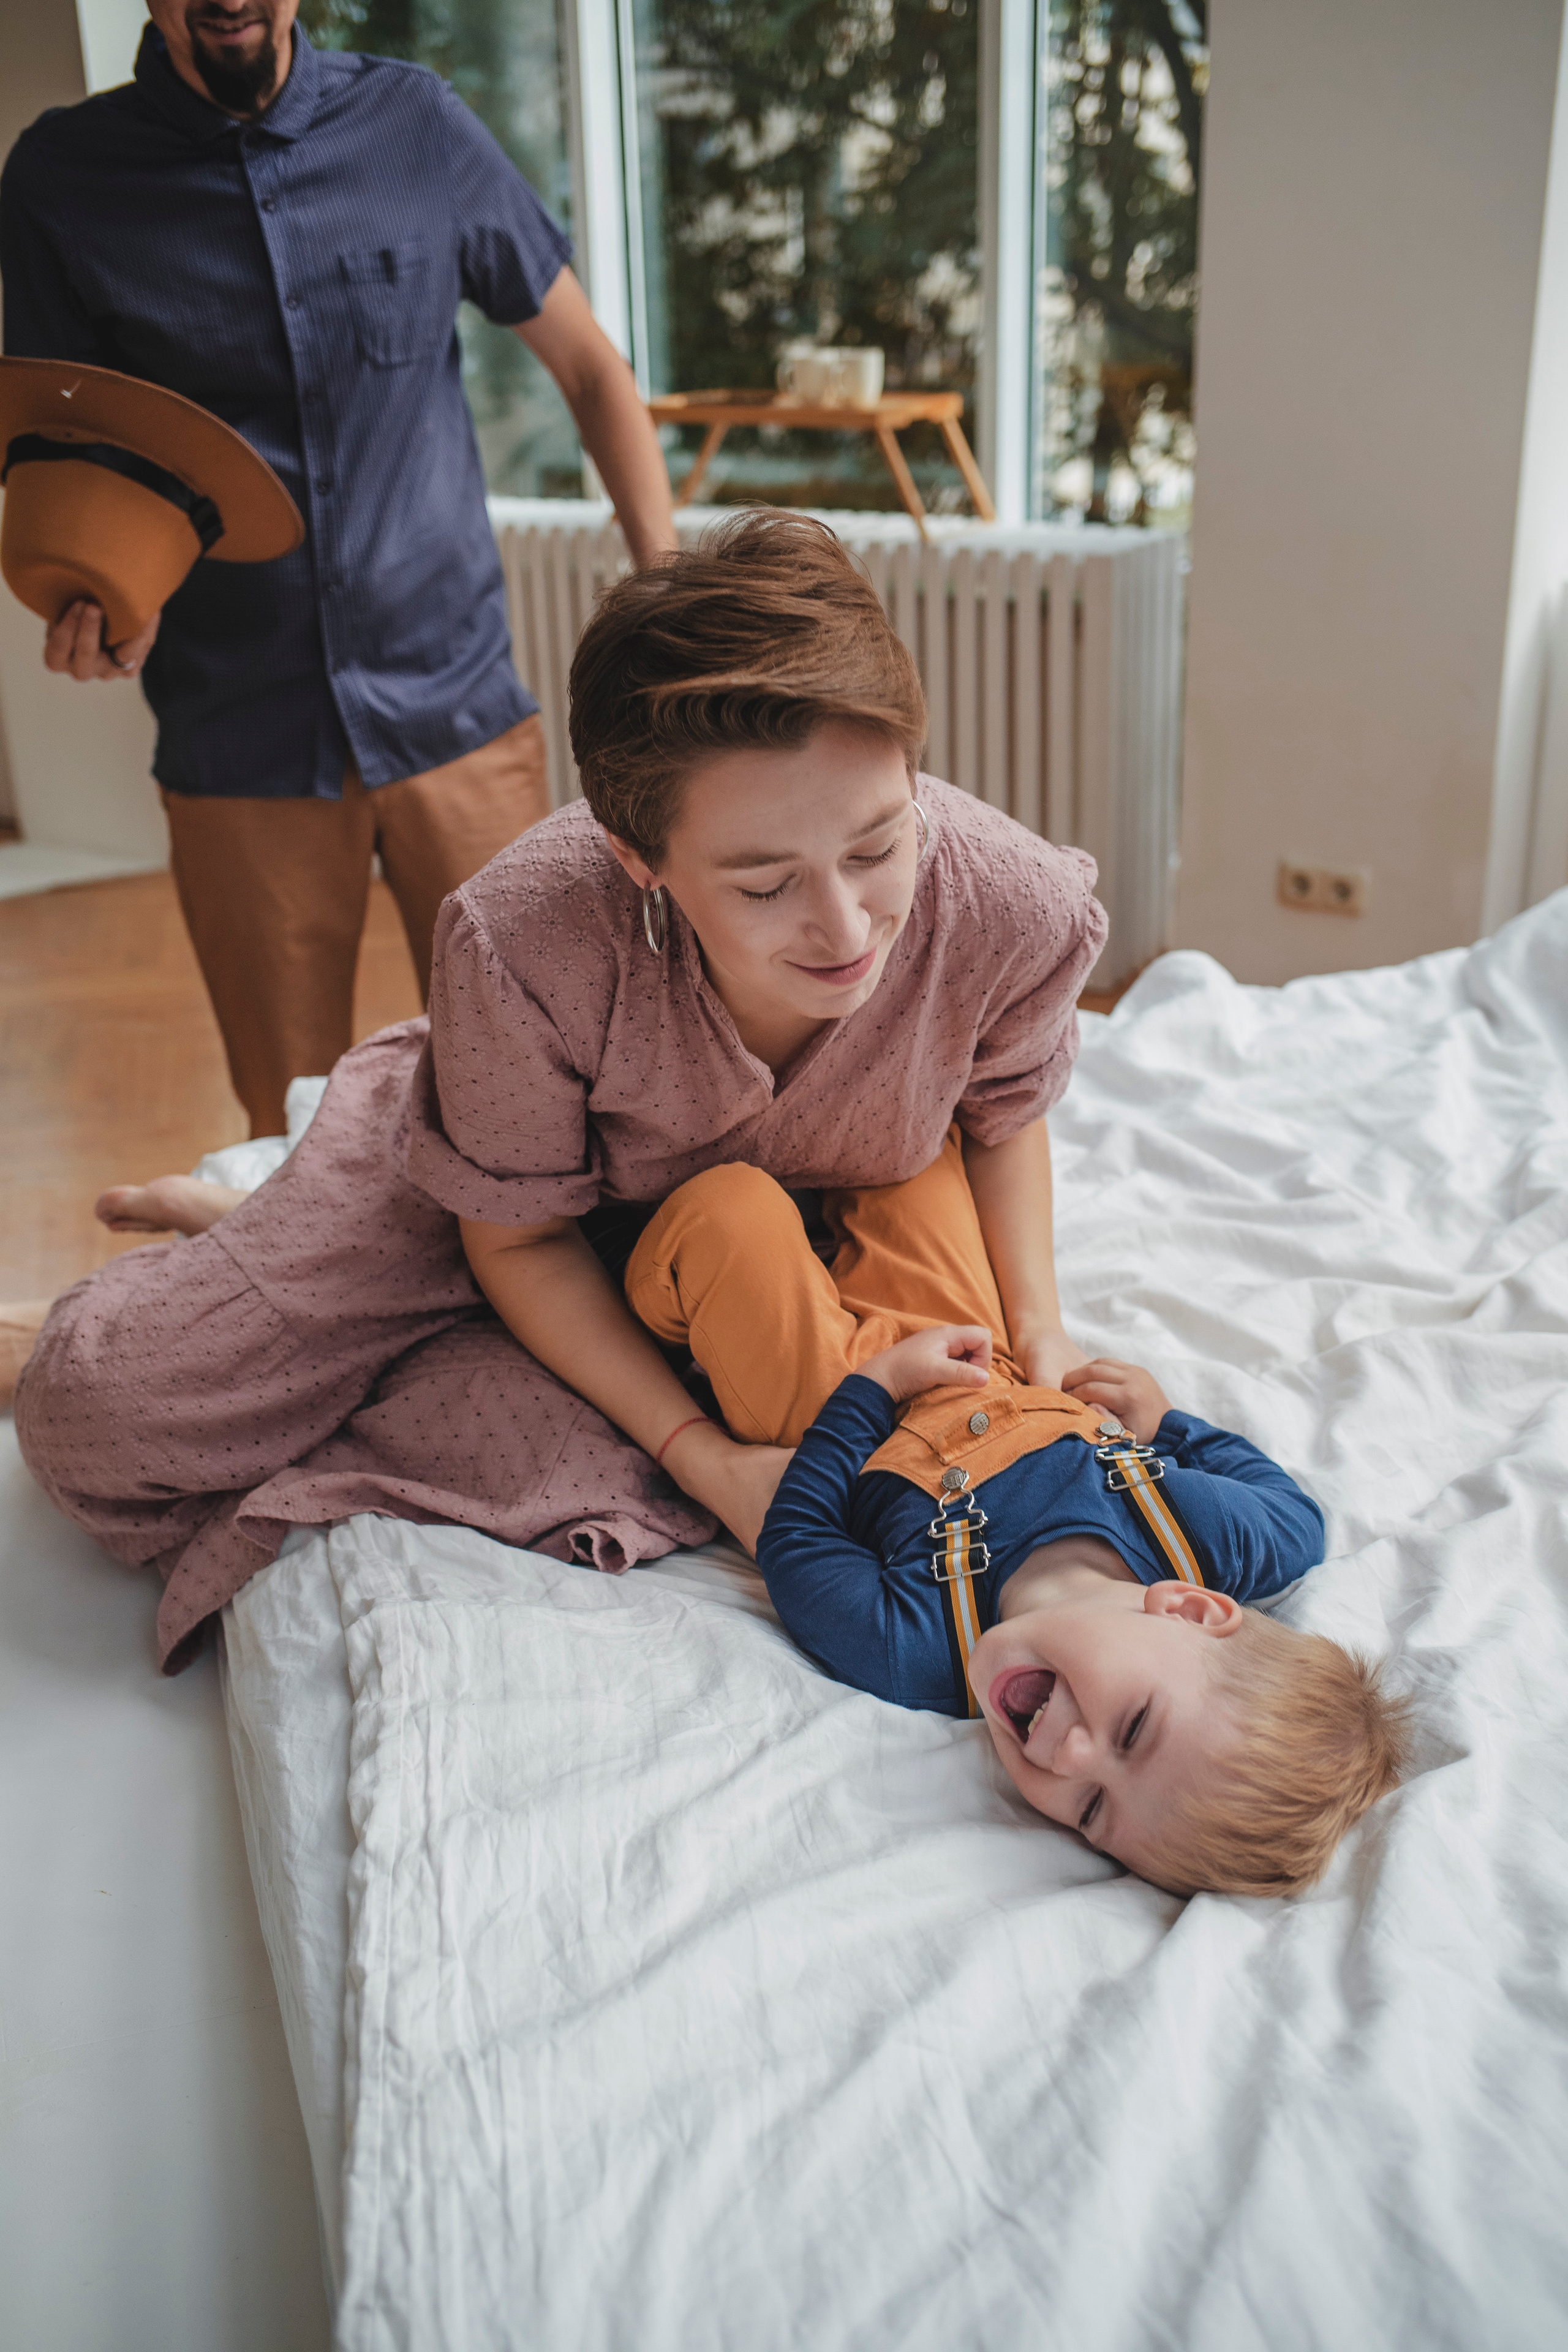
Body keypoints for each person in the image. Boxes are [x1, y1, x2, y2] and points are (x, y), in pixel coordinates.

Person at [14, 513, 1107, 1673]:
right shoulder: (524, 938)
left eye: (880, 846)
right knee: (99, 1417)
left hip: (745, 1270)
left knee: (664, 1459)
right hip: (500, 1210)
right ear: (639, 859)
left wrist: (1038, 1334)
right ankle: (258, 1240)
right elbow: (522, 1239)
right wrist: (700, 1456)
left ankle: (262, 1257)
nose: (844, 928)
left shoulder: (1016, 907)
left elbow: (1001, 1118)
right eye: (764, 883)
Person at [1, 0, 677, 1137]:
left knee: (542, 1079)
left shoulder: (417, 123)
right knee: (290, 1126)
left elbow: (591, 371)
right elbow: (69, 443)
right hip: (236, 730)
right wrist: (97, 593)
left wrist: (670, 589)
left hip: (454, 703)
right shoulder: (62, 175)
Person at [624, 1139, 1410, 1898]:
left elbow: (795, 1539)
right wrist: (1167, 1423)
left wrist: (868, 1391)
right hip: (978, 1351)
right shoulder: (1205, 1535)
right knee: (913, 1155)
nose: (1066, 1757)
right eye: (1133, 1729)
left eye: (1092, 1811)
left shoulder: (913, 1650)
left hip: (826, 1403)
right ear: (1192, 1610)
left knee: (727, 1213)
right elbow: (1292, 1510)